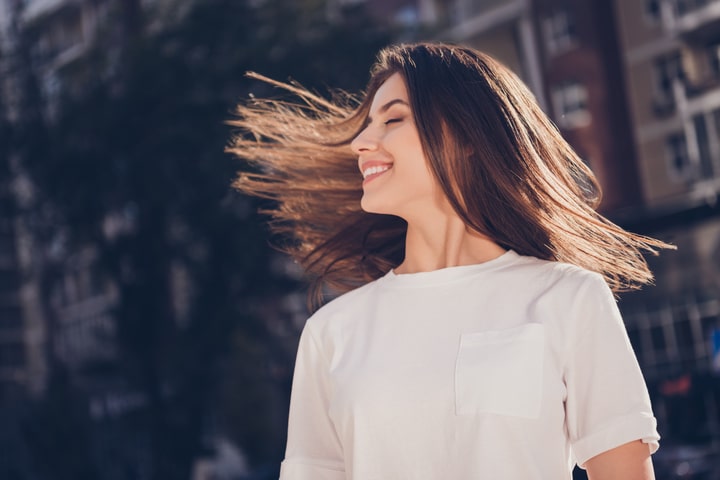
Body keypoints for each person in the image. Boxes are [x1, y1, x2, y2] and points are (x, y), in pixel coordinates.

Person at [229, 42, 673, 480]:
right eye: (366, 125)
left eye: (393, 119)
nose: (361, 142)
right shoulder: (332, 333)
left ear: (464, 136)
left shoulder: (567, 297)